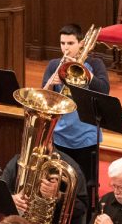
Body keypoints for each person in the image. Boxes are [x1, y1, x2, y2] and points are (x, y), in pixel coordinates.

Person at [41, 23, 110, 202]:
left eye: (70, 43)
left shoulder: (95, 63)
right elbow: (44, 97)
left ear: (81, 43)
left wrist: (86, 73)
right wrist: (51, 82)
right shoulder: (54, 64)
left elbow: (104, 90)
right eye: (63, 43)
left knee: (87, 185)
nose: (65, 48)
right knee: (63, 184)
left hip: (86, 136)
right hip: (61, 136)